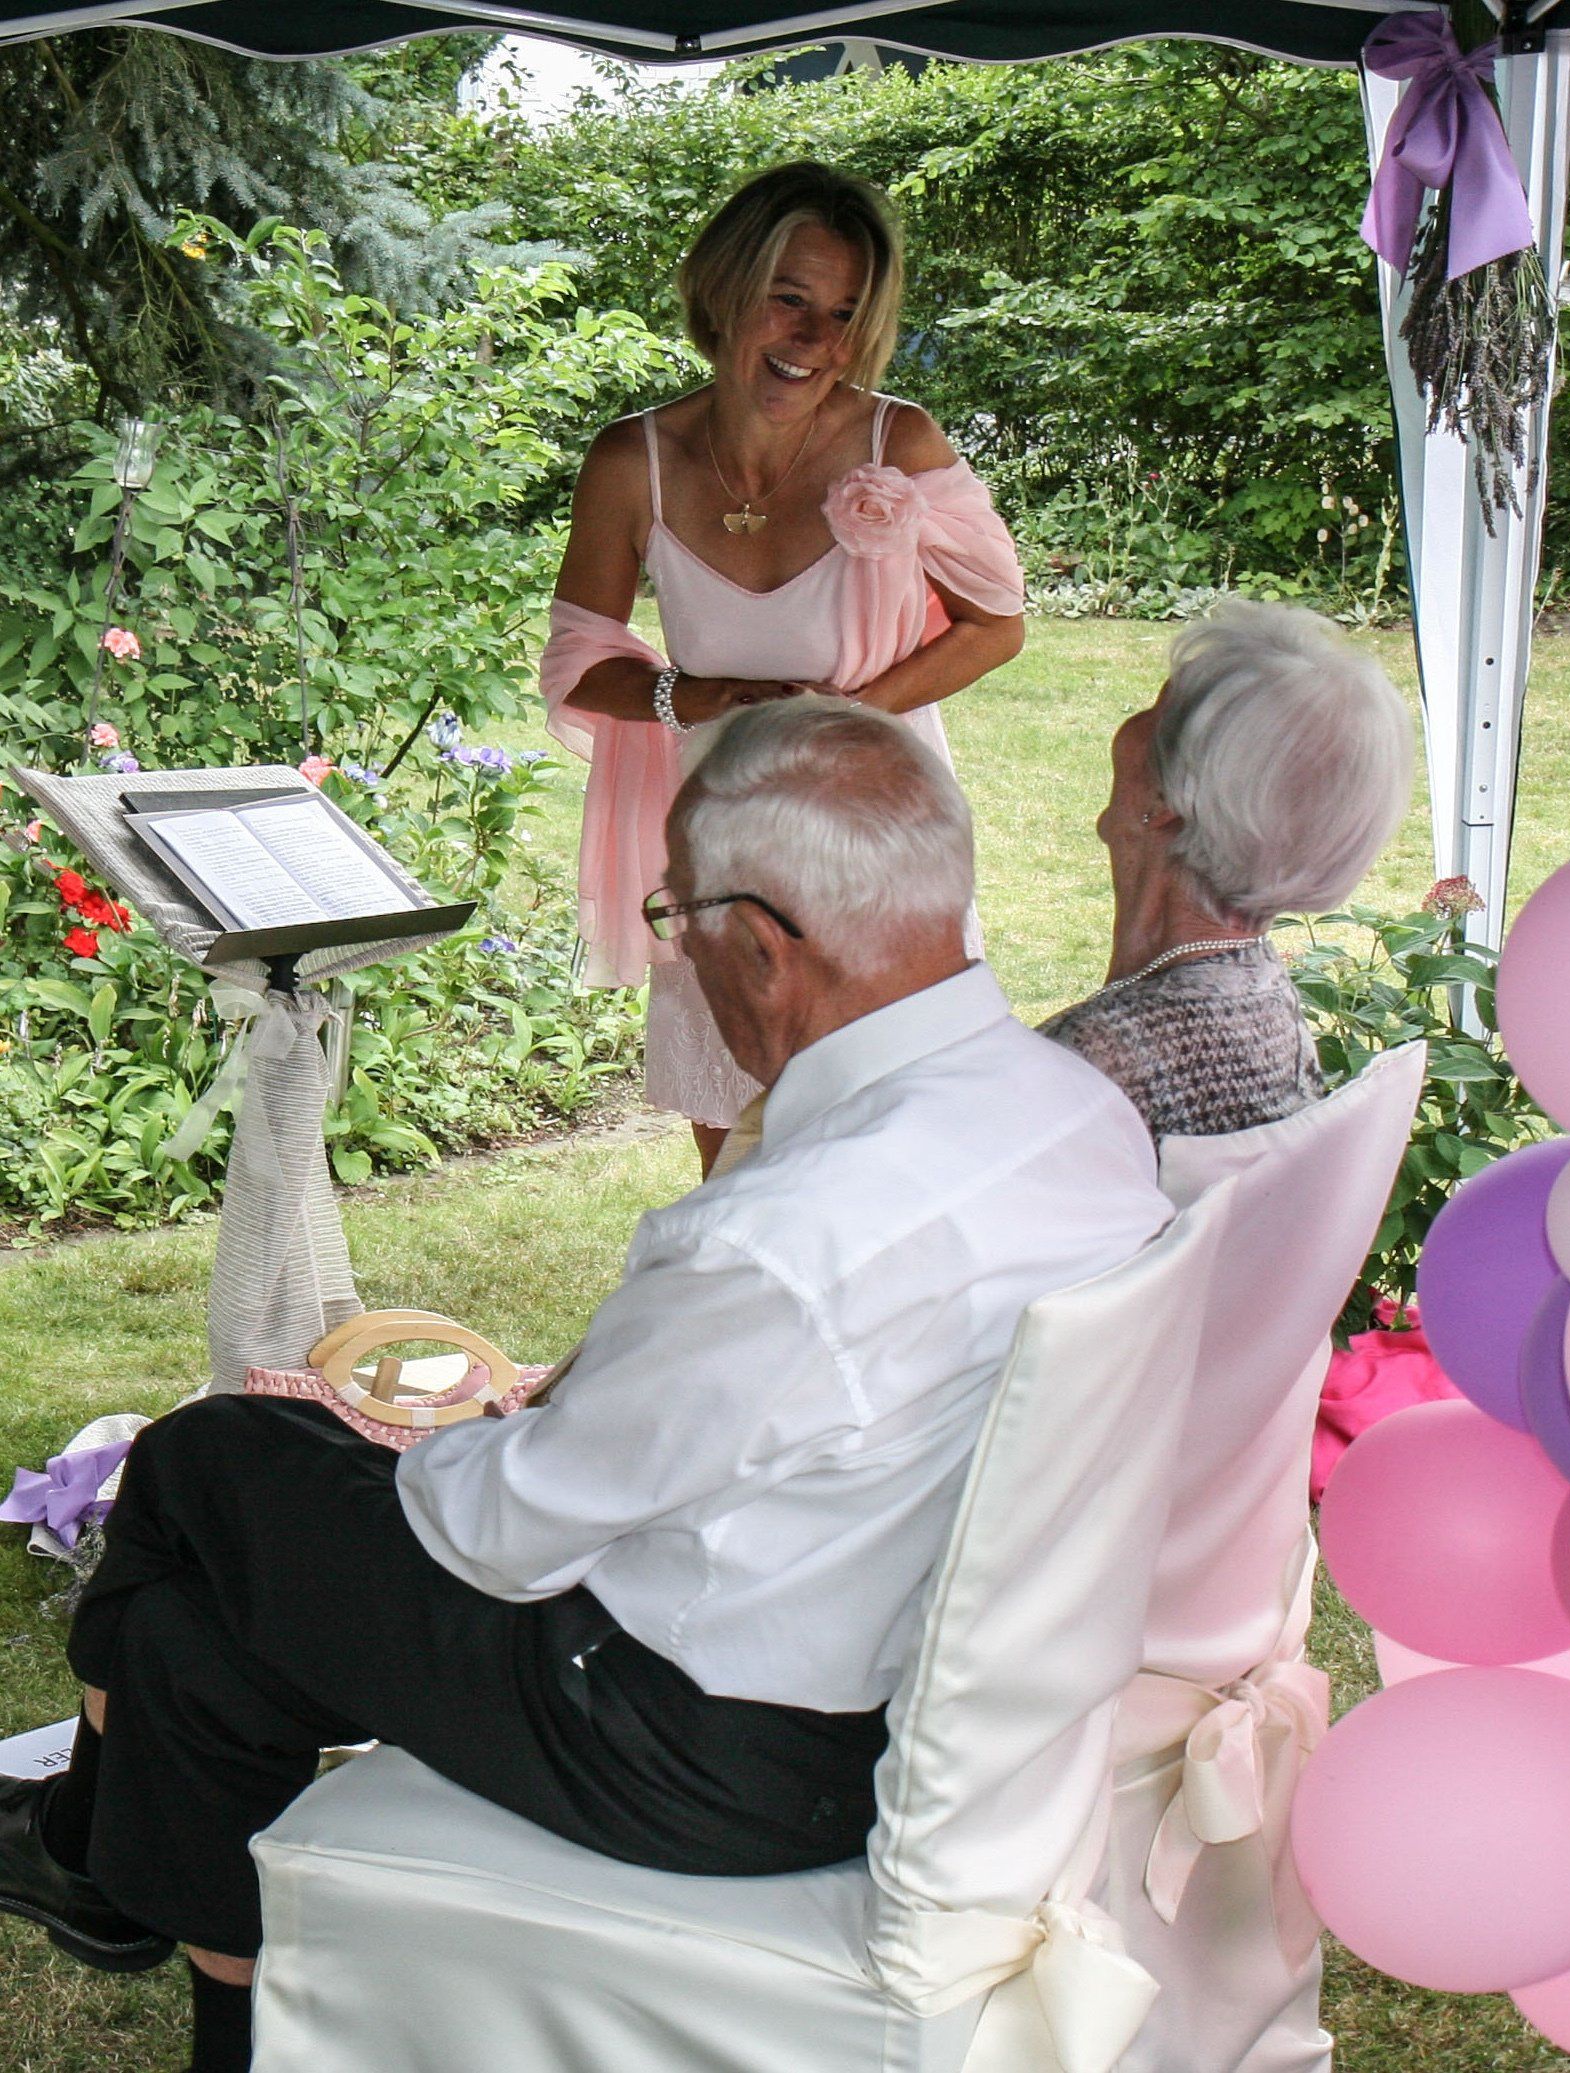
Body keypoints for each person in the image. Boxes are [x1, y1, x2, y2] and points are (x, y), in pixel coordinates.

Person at [0, 701, 1165, 2073]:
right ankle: (190, 1958)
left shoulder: (783, 1233)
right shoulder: (1074, 1112)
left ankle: (95, 1842)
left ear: (762, 945)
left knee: (214, 1460)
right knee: (199, 1650)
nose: (680, 961)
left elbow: (501, 1534)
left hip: (688, 1744)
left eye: (673, 921)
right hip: (886, 1699)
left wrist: (436, 1438)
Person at [541, 160, 1025, 1175]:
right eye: (789, 301)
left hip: (876, 826)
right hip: (721, 834)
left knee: (893, 1135)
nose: (816, 341)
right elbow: (580, 661)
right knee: (735, 1158)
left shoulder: (899, 442)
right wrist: (692, 695)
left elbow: (997, 623)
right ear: (722, 293)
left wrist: (850, 714)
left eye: (845, 314)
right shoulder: (635, 461)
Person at [1044, 598, 1414, 1137]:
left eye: (1154, 711)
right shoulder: (1262, 991)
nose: (1128, 724)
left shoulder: (1095, 1058)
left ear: (1167, 798)